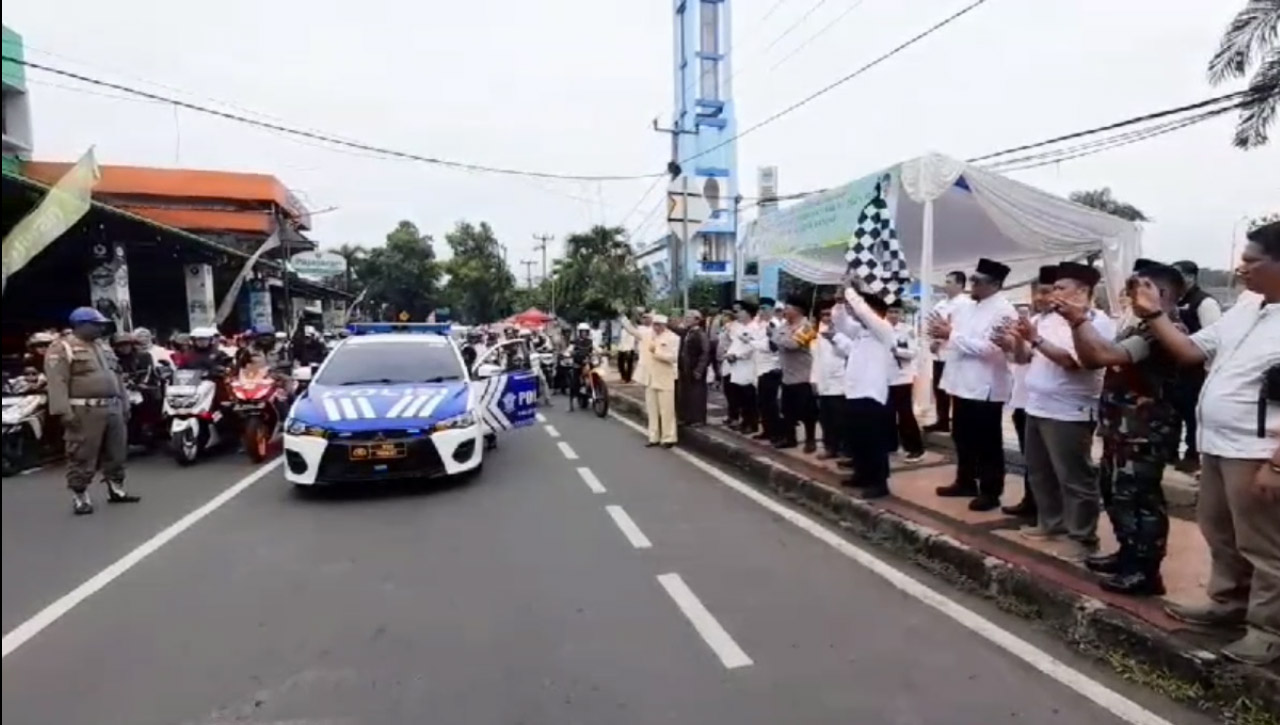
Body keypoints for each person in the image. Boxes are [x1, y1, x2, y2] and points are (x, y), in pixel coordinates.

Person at [1140, 223, 1279, 666]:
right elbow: (1190, 352)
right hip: (1217, 443)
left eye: (1253, 260)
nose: (1242, 269)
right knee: (1220, 531)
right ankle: (1227, 603)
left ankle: (1268, 631)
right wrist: (1153, 315)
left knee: (1265, 545)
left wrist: (1277, 464)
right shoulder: (1246, 308)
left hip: (1258, 450)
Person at [1067, 259, 1185, 597]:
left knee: (1139, 498)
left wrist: (1079, 320)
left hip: (1144, 430)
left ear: (1159, 293)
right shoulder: (1138, 326)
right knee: (1116, 493)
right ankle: (1127, 554)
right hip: (1121, 427)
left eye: (1138, 288)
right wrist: (1077, 326)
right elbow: (1091, 358)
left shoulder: (1165, 329)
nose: (1129, 295)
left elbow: (1104, 355)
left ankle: (1145, 571)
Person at [1008, 262, 1114, 563]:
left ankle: (1083, 537)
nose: (1052, 293)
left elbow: (1072, 361)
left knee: (1074, 477)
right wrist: (1018, 338)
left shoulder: (1097, 322)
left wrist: (1035, 338)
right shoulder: (1046, 319)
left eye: (1060, 288)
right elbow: (1023, 357)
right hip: (1037, 404)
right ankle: (1050, 523)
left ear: (1082, 291)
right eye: (1053, 288)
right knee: (1040, 471)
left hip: (1070, 410)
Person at [930, 258, 1017, 512]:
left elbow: (990, 349)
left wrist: (951, 336)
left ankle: (991, 491)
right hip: (961, 383)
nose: (972, 285)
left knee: (987, 442)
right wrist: (943, 338)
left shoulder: (1004, 311)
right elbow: (957, 340)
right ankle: (965, 481)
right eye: (972, 280)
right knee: (962, 436)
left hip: (984, 386)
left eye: (977, 281)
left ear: (995, 284)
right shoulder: (967, 308)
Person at [44, 307, 139, 515]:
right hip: (84, 409)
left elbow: (118, 377)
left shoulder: (103, 347)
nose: (100, 328)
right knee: (82, 453)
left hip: (113, 406)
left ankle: (116, 488)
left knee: (117, 451)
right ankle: (80, 495)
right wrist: (63, 412)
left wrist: (125, 404)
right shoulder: (62, 347)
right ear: (81, 325)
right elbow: (57, 382)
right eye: (96, 324)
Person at [830, 284, 896, 499]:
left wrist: (851, 291)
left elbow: (862, 311)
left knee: (874, 440)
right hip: (854, 392)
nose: (856, 311)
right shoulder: (860, 332)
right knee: (857, 438)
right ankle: (862, 474)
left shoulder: (883, 329)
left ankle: (879, 482)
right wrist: (840, 302)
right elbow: (840, 322)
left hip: (872, 394)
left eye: (863, 308)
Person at [1169, 260, 1224, 474]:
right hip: (1176, 369)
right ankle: (1170, 452)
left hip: (1197, 369)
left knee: (1193, 414)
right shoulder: (1173, 300)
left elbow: (1216, 338)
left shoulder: (1205, 303)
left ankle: (1193, 455)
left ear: (1191, 277)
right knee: (1174, 411)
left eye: (1178, 276)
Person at [924, 271, 972, 433]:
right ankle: (942, 420)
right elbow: (932, 326)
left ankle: (959, 422)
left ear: (960, 285)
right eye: (945, 281)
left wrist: (945, 336)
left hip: (955, 353)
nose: (945, 285)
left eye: (949, 282)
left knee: (956, 390)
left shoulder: (966, 304)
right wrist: (932, 342)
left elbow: (964, 328)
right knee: (939, 389)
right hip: (939, 354)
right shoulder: (940, 304)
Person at [773, 295, 817, 451]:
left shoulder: (807, 326)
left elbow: (793, 344)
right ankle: (790, 438)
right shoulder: (785, 325)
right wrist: (782, 338)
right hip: (787, 375)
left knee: (807, 412)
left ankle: (810, 440)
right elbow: (774, 337)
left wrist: (782, 339)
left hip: (803, 376)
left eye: (787, 308)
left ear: (797, 310)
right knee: (787, 410)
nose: (784, 311)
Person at [884, 300, 925, 463]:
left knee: (905, 414)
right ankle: (890, 445)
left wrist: (897, 350)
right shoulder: (880, 328)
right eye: (890, 312)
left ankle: (915, 448)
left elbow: (913, 352)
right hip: (884, 377)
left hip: (902, 377)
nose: (893, 315)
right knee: (886, 414)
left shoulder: (907, 330)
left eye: (896, 312)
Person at [812, 300, 849, 460]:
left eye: (829, 314)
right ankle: (830, 447)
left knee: (840, 418)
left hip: (840, 382)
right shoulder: (818, 333)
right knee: (825, 418)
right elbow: (815, 358)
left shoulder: (845, 332)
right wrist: (813, 379)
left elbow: (847, 352)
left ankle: (842, 447)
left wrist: (834, 339)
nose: (827, 318)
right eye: (824, 315)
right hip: (823, 381)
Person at [645, 314, 681, 448]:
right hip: (651, 377)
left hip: (666, 377)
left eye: (658, 324)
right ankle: (653, 437)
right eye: (654, 324)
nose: (656, 327)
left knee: (667, 410)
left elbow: (673, 357)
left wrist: (657, 352)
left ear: (664, 325)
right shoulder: (651, 337)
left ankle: (669, 438)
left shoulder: (673, 338)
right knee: (652, 410)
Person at [724, 303, 759, 434]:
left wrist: (737, 355)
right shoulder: (740, 328)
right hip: (737, 366)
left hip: (748, 366)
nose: (738, 314)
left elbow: (751, 347)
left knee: (749, 397)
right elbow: (735, 344)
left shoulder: (754, 328)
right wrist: (730, 354)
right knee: (740, 397)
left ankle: (752, 423)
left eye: (741, 312)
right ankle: (744, 421)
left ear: (748, 313)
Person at [677, 310, 711, 426]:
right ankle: (687, 417)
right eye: (685, 317)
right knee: (686, 393)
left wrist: (699, 369)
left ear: (697, 320)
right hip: (686, 368)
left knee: (697, 394)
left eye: (689, 318)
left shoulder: (700, 334)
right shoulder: (687, 332)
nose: (686, 319)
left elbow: (705, 352)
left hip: (695, 368)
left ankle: (699, 419)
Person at [616, 319, 638, 384]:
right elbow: (620, 340)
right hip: (621, 349)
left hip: (629, 349)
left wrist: (631, 349)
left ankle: (628, 378)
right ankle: (623, 377)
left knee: (629, 365)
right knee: (620, 364)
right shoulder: (622, 330)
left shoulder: (632, 331)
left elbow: (632, 341)